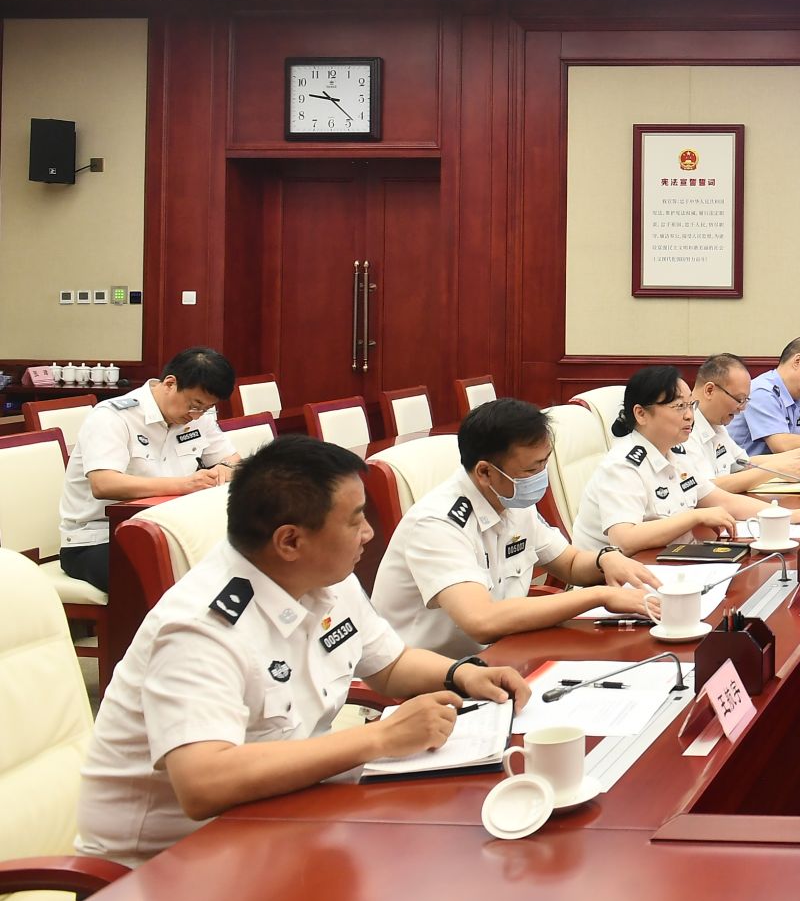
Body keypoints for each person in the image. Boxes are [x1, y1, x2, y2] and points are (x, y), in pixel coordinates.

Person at [75, 435, 532, 868]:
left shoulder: (324, 578)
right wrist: (380, 738)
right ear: (290, 541)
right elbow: (204, 783)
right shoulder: (200, 628)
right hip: (167, 868)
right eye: (355, 520)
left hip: (282, 819)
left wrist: (463, 674)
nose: (369, 533)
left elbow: (390, 664)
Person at [371, 398, 662, 659]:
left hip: (503, 655)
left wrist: (605, 559)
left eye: (545, 463)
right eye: (531, 470)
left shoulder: (511, 499)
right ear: (485, 472)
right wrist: (599, 595)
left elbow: (570, 563)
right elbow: (482, 621)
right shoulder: (437, 524)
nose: (541, 477)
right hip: (432, 679)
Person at [573, 365, 800, 552]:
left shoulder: (676, 453)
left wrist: (783, 515)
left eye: (690, 405)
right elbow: (624, 539)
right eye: (679, 407)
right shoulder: (623, 465)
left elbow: (721, 500)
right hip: (616, 583)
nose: (689, 416)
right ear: (641, 414)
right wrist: (694, 517)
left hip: (668, 561)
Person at [59, 347, 242, 593]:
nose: (197, 416)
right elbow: (104, 484)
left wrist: (224, 468)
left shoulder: (200, 417)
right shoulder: (112, 416)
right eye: (195, 405)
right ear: (170, 384)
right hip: (99, 539)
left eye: (206, 408)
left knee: (237, 562)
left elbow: (235, 461)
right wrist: (185, 485)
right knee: (171, 582)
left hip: (170, 529)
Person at [686, 353, 800, 494]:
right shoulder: (685, 429)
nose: (742, 408)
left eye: (745, 401)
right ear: (709, 390)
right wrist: (775, 470)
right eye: (739, 400)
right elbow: (706, 489)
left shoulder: (716, 424)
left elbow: (743, 463)